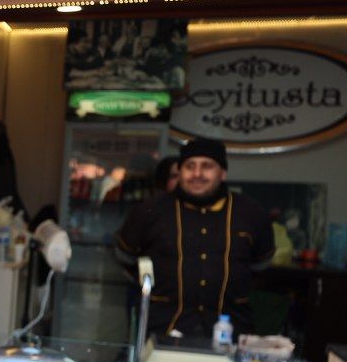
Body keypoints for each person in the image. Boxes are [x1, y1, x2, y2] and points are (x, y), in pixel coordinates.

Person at [116, 138, 275, 339]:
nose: (197, 174)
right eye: (189, 166)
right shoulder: (150, 210)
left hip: (231, 331)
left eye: (207, 166)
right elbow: (126, 257)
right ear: (180, 171)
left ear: (222, 173)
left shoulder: (251, 213)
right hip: (161, 329)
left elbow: (260, 266)